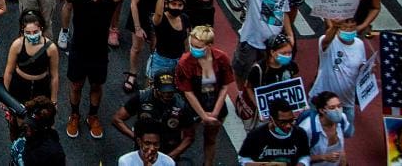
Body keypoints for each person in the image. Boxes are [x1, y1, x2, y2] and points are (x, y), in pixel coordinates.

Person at [60, 0, 123, 140]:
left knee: (96, 86)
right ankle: (74, 115)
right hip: (78, 50)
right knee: (76, 85)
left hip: (99, 52)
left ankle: (93, 116)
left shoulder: (108, 0)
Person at [228, 0, 294, 89]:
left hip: (272, 45)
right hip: (251, 43)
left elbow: (284, 12)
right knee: (243, 71)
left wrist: (290, 34)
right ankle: (242, 94)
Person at [176, 25, 234, 166]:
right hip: (192, 106)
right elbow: (188, 92)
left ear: (209, 45)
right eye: (192, 45)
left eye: (198, 47)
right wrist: (203, 116)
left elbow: (225, 86)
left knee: (211, 139)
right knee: (187, 137)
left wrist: (214, 113)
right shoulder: (185, 62)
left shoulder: (221, 58)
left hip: (214, 104)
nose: (194, 49)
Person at [112, 72, 198, 162]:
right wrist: (136, 138)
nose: (168, 95)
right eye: (164, 92)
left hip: (169, 149)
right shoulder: (142, 98)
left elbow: (189, 136)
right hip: (143, 149)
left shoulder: (181, 105)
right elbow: (117, 119)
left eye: (171, 91)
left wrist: (171, 156)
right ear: (155, 88)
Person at [3, 10, 60, 139]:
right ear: (23, 30)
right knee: (19, 121)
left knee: (42, 121)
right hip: (19, 86)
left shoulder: (51, 48)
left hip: (41, 88)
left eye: (35, 32)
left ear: (41, 28)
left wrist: (54, 100)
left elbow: (54, 75)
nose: (32, 35)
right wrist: (5, 96)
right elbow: (9, 71)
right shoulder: (17, 45)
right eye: (28, 32)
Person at [309, 17, 369, 136]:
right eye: (345, 27)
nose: (348, 30)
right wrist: (334, 26)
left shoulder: (359, 44)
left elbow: (361, 64)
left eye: (352, 27)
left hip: (346, 100)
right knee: (315, 130)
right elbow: (325, 41)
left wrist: (367, 68)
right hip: (322, 99)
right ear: (338, 28)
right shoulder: (329, 42)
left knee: (346, 133)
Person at [237, 98, 311, 165]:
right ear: (271, 119)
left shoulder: (300, 134)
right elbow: (243, 159)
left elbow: (305, 156)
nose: (288, 126)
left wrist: (301, 163)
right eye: (283, 122)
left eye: (291, 120)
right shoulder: (255, 135)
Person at [9, 96, 67, 165]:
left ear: (46, 127)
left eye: (34, 127)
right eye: (28, 123)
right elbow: (17, 142)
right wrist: (13, 126)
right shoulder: (26, 127)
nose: (28, 128)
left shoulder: (54, 154)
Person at [298, 91, 350, 166]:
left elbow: (341, 148)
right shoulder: (307, 128)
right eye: (332, 107)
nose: (337, 111)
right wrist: (323, 157)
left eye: (339, 106)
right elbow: (300, 158)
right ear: (322, 110)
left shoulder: (342, 118)